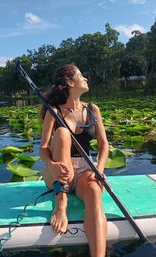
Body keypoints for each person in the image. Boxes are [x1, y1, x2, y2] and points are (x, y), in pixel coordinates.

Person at [39, 64, 109, 257]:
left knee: (95, 192)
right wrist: (52, 165)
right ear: (70, 82)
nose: (85, 78)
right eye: (80, 75)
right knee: (62, 132)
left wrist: (99, 169)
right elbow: (44, 147)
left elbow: (104, 145)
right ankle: (61, 201)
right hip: (59, 171)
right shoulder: (54, 111)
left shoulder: (93, 109)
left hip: (86, 169)